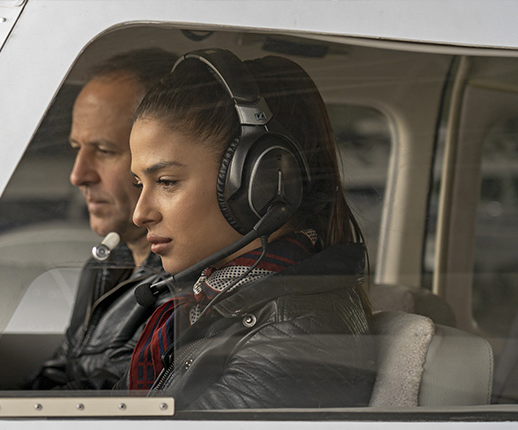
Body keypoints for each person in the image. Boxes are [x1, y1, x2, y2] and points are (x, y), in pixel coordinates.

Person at [126, 49, 376, 409]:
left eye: (165, 182)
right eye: (139, 184)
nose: (140, 214)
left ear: (259, 183)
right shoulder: (217, 300)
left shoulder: (295, 335)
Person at [31, 48, 177, 389]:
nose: (78, 175)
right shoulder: (107, 265)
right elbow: (57, 377)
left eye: (105, 151)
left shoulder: (181, 294)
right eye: (76, 148)